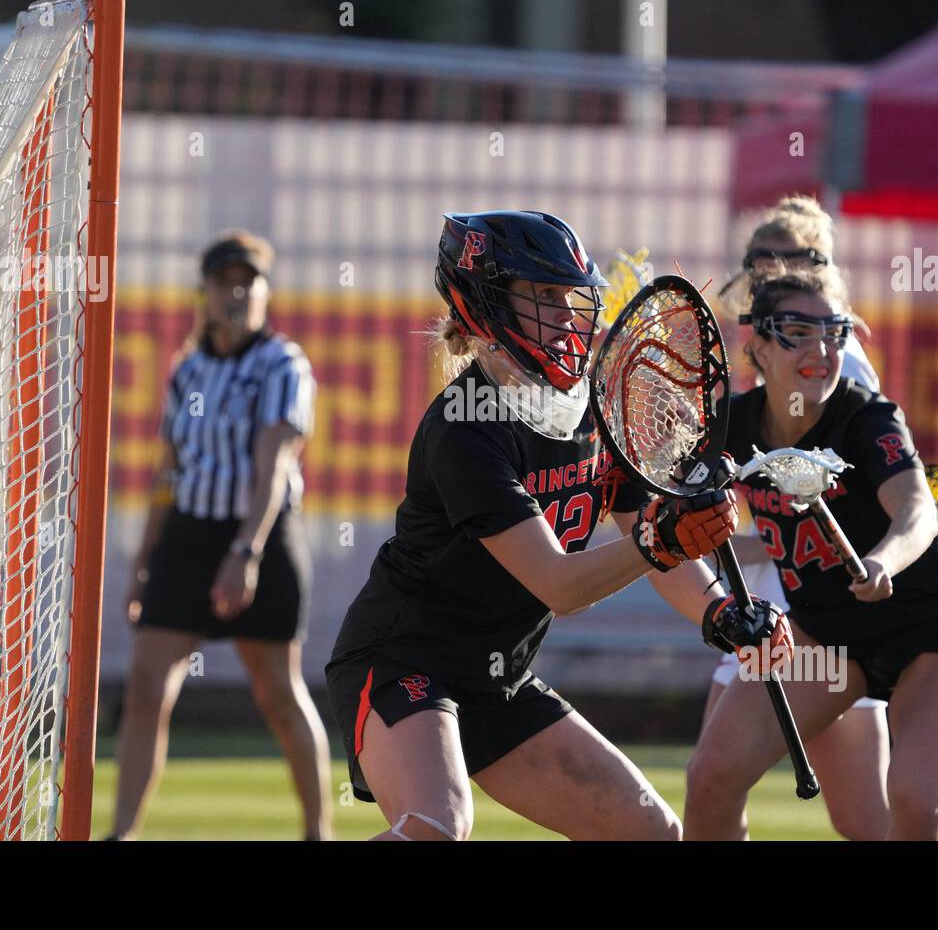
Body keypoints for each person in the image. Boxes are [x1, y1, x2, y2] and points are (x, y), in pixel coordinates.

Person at [324, 210, 789, 841]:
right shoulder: (466, 427)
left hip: (499, 676)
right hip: (403, 658)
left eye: (569, 296)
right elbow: (562, 586)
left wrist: (720, 610)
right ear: (485, 301)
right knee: (437, 826)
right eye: (542, 296)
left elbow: (640, 525)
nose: (567, 314)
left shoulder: (588, 410)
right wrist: (661, 540)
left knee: (651, 833)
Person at [685, 269, 938, 841]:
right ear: (755, 344)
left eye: (834, 332)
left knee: (917, 801)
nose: (821, 349)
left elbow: (918, 512)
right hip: (826, 634)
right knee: (711, 777)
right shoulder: (732, 424)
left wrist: (883, 561)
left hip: (933, 623)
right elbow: (675, 510)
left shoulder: (866, 417)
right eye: (798, 332)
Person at [110, 231, 332, 840]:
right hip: (188, 537)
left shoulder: (281, 364)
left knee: (278, 695)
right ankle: (122, 833)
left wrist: (245, 551)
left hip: (256, 535)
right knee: (148, 685)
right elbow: (169, 468)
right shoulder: (190, 371)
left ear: (264, 291)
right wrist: (144, 558)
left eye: (247, 282)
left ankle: (319, 832)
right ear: (203, 292)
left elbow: (274, 463)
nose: (235, 293)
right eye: (223, 281)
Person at [709, 195, 889, 840]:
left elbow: (862, 490)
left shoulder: (840, 363)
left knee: (869, 820)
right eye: (758, 264)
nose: (768, 277)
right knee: (714, 784)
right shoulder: (759, 362)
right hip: (760, 608)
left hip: (822, 609)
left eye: (785, 263)